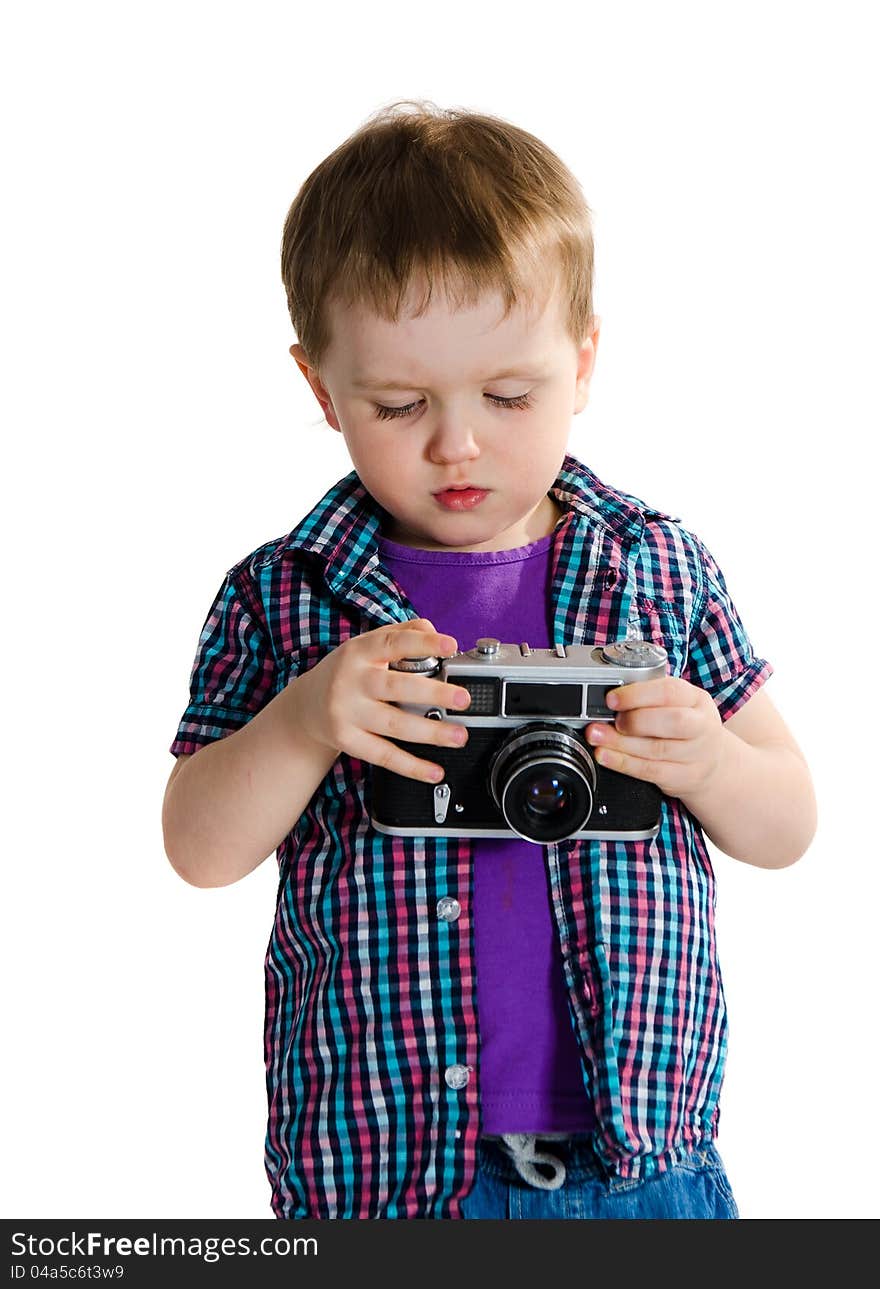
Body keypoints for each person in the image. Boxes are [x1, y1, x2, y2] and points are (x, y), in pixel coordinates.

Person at [162, 101, 817, 1220]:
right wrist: (308, 720)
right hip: (381, 1167)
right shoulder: (283, 594)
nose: (456, 441)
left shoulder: (656, 569)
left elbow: (788, 822)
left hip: (642, 1160)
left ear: (584, 362)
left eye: (509, 396)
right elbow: (197, 848)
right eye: (398, 402)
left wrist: (704, 760)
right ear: (320, 388)